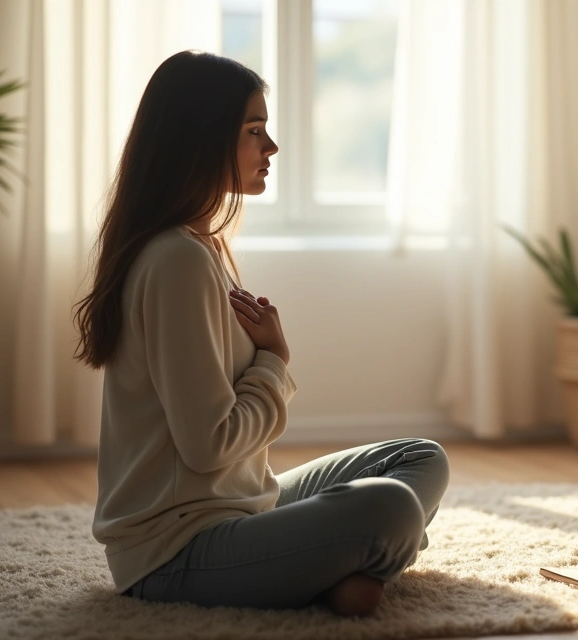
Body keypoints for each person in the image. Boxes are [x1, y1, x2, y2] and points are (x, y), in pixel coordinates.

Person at [73, 51, 449, 616]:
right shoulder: (177, 260)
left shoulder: (201, 247)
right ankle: (337, 569)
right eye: (254, 131)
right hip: (176, 551)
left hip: (243, 505)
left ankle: (332, 569)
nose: (270, 147)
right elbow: (209, 445)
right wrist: (273, 358)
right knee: (390, 507)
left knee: (420, 458)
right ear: (200, 139)